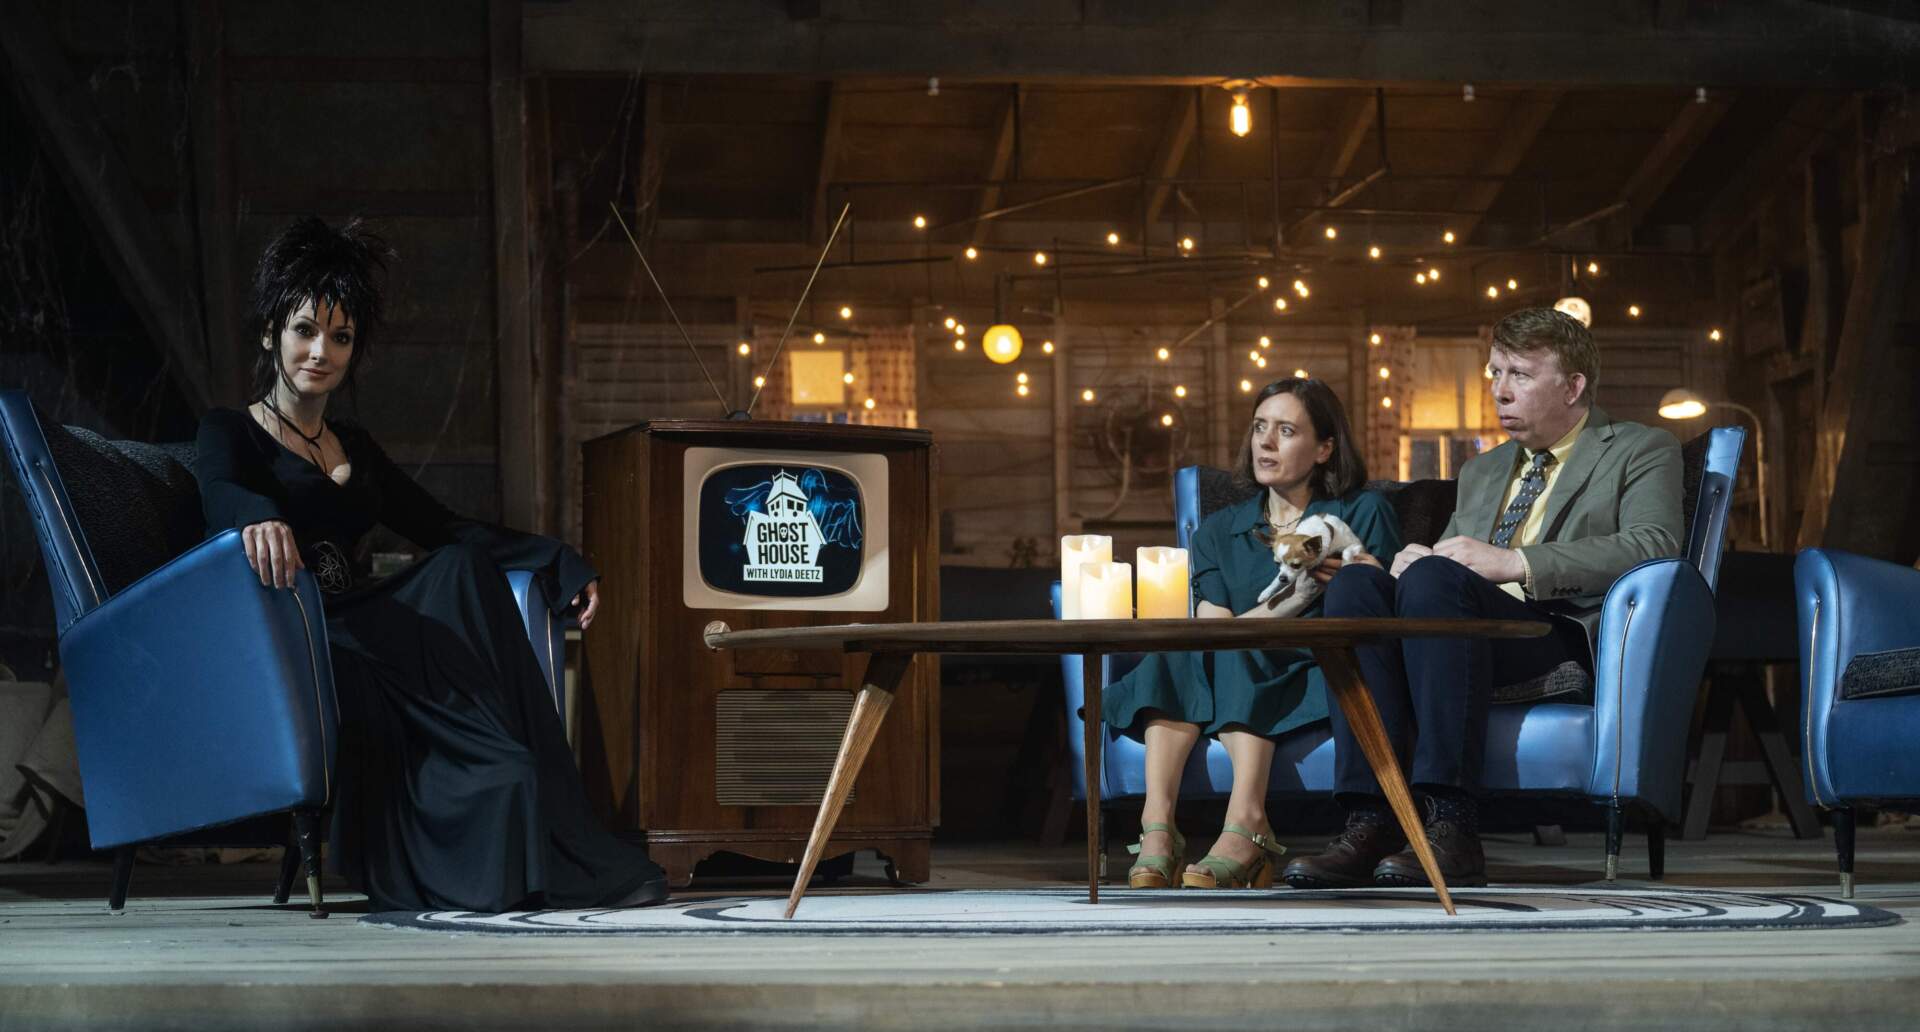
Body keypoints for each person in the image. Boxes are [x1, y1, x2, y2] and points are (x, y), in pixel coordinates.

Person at [194, 217, 667, 912]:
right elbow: (219, 490)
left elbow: (438, 524)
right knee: (451, 572)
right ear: (271, 334)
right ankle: (465, 803)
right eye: (304, 330)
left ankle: (521, 773)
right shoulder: (230, 429)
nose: (319, 351)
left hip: (369, 617)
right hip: (309, 632)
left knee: (462, 564)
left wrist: (558, 559)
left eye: (340, 337)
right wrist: (253, 516)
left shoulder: (352, 440)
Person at [1282, 308, 1684, 890]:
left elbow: (1655, 544)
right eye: (1494, 372)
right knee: (1356, 585)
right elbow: (1452, 562)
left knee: (1435, 580)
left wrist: (1517, 563)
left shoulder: (1639, 448)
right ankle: (1369, 821)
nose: (1499, 390)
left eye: (1519, 374)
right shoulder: (1484, 469)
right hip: (1464, 631)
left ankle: (1451, 825)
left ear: (1573, 386)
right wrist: (1410, 563)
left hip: (1553, 636)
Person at [1103, 378, 1402, 890]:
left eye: (1286, 431)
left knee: (1234, 648)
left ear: (1325, 448)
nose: (1265, 442)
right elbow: (1214, 618)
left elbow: (1394, 612)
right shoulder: (1221, 529)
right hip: (1238, 654)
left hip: (1318, 667)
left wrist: (1372, 571)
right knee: (1182, 646)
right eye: (1260, 427)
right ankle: (1157, 829)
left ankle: (1246, 824)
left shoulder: (1361, 512)